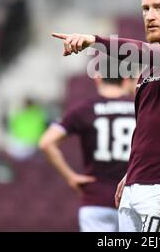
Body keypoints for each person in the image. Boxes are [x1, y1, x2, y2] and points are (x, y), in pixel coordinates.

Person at [52, 0, 160, 232]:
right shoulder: (147, 72)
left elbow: (156, 54)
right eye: (145, 8)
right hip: (137, 182)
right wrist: (132, 173)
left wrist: (95, 40)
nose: (149, 16)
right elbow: (148, 126)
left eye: (159, 7)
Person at [39, 57, 136, 232]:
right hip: (134, 199)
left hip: (95, 198)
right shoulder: (140, 109)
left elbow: (46, 143)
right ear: (126, 79)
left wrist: (71, 177)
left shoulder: (83, 109)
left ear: (98, 77)